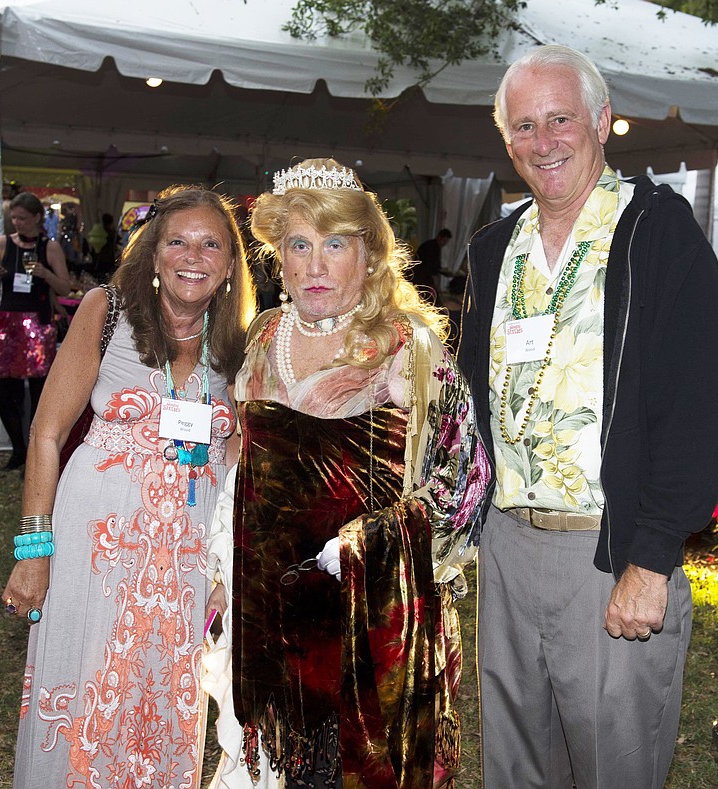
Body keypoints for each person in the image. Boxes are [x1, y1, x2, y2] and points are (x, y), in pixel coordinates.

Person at [457, 45, 718, 788]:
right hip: (509, 548)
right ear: (506, 138)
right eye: (523, 126)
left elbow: (699, 408)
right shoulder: (494, 250)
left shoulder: (657, 232)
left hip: (608, 553)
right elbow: (467, 394)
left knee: (616, 764)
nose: (542, 142)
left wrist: (651, 558)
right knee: (514, 765)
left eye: (560, 120)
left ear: (603, 122)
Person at [203, 158, 490, 788]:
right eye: (298, 244)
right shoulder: (266, 335)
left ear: (370, 253)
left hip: (372, 620)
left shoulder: (406, 346)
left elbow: (465, 481)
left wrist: (365, 548)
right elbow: (243, 468)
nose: (314, 264)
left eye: (335, 244)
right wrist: (224, 569)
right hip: (271, 612)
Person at [1, 185, 256, 786]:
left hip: (188, 551)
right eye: (178, 241)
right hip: (99, 542)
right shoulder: (106, 309)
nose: (193, 256)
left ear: (228, 264)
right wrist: (33, 554)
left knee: (166, 694)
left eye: (210, 244)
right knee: (87, 678)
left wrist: (228, 561)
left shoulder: (241, 339)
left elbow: (242, 449)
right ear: (153, 252)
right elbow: (44, 434)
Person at [0, 192, 70, 469]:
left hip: (38, 324)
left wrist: (45, 274)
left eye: (22, 218)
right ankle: (18, 447)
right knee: (2, 390)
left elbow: (65, 288)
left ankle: (35, 452)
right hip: (8, 324)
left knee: (38, 393)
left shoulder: (50, 247)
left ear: (36, 217)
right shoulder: (3, 243)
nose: (17, 223)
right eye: (14, 218)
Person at [411, 227, 452, 301]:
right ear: (440, 237)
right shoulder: (432, 247)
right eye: (444, 241)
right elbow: (430, 265)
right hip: (422, 275)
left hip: (422, 274)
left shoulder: (432, 245)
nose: (444, 243)